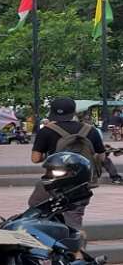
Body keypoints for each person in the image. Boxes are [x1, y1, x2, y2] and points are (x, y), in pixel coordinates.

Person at [28, 97, 105, 233]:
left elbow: (35, 158)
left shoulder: (46, 130)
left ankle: (51, 232)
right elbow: (101, 156)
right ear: (74, 112)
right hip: (81, 183)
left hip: (54, 182)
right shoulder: (90, 130)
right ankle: (77, 251)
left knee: (37, 206)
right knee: (75, 219)